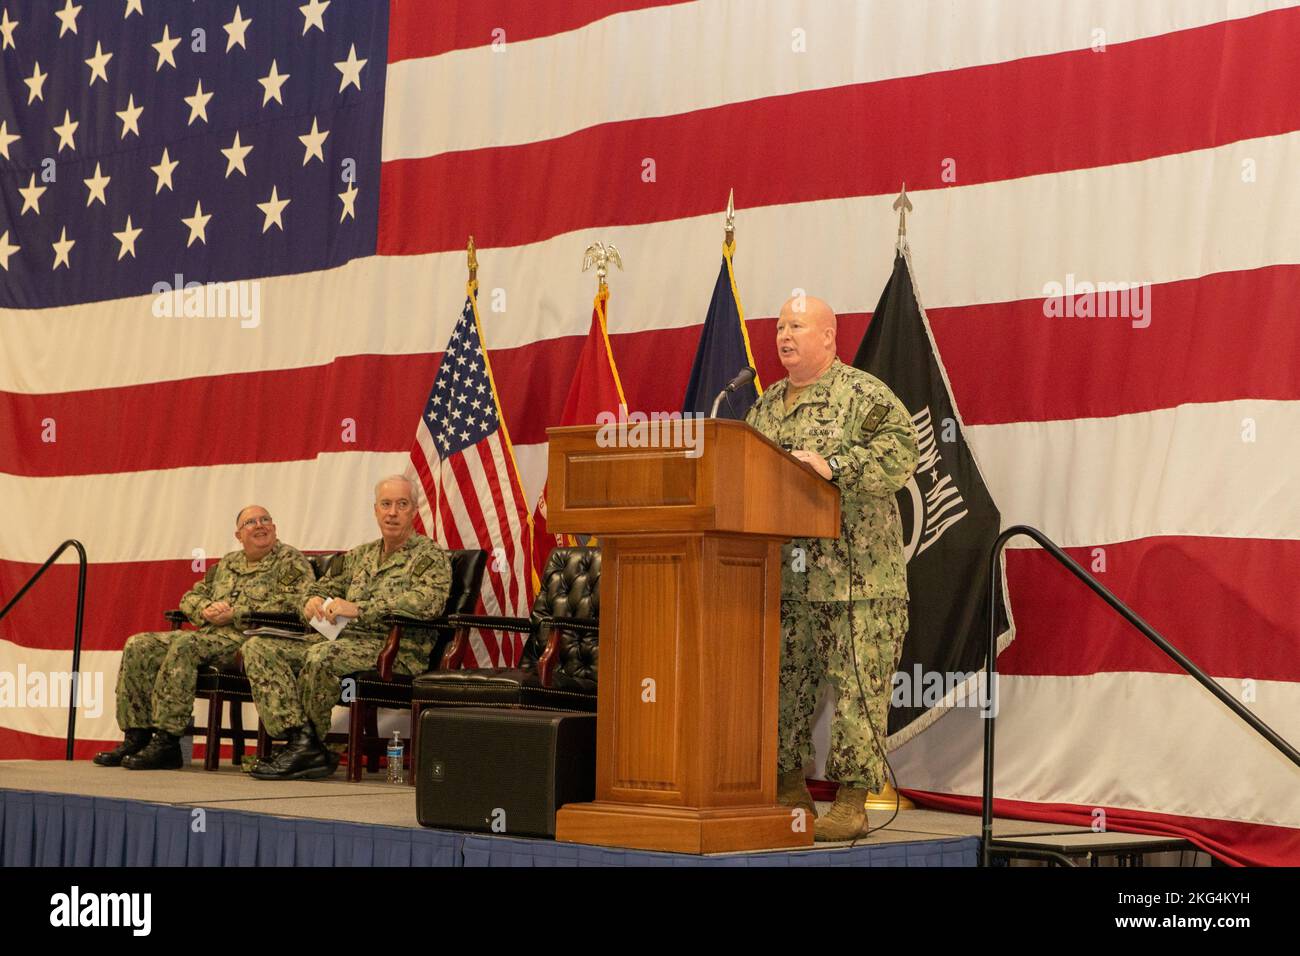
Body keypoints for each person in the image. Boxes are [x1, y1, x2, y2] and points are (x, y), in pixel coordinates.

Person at [744, 294, 918, 841]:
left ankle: (850, 801)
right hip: (786, 581)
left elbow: (901, 454)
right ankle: (787, 786)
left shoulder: (862, 394)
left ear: (829, 337)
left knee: (855, 692)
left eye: (797, 325)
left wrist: (834, 464)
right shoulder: (764, 407)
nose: (783, 335)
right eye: (778, 327)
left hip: (857, 581)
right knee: (783, 687)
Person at [243, 475, 452, 780]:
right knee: (258, 647)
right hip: (342, 640)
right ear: (375, 510)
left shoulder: (429, 556)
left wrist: (359, 609)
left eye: (401, 504)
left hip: (396, 650)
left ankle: (306, 749)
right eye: (386, 504)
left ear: (414, 511)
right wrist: (311, 601)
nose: (392, 512)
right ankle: (302, 740)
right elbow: (317, 586)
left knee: (321, 658)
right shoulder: (359, 555)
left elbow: (428, 603)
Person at [94, 506, 314, 770]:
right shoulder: (227, 564)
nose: (259, 525)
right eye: (250, 522)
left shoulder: (290, 561)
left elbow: (295, 606)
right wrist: (205, 610)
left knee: (185, 644)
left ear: (274, 528)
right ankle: (137, 735)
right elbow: (190, 597)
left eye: (265, 520)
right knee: (139, 644)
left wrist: (236, 613)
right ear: (238, 534)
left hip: (251, 638)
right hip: (212, 634)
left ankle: (168, 740)